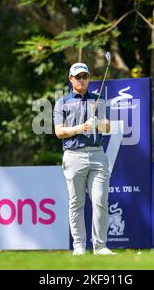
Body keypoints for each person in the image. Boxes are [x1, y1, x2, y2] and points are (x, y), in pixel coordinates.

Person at [53, 62, 116, 256]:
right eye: (78, 77)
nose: (82, 80)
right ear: (70, 79)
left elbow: (108, 127)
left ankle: (100, 246)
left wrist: (97, 124)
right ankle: (79, 246)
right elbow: (59, 132)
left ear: (88, 79)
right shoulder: (61, 102)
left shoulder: (98, 100)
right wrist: (81, 128)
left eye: (85, 76)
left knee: (100, 200)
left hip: (97, 155)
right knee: (76, 202)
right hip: (73, 156)